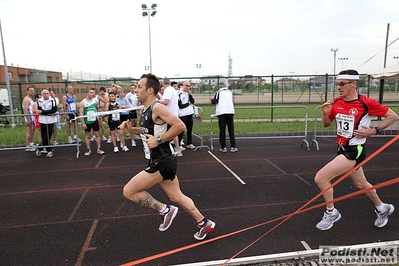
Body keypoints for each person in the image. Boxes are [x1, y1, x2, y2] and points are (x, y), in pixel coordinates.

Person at [120, 73, 215, 240]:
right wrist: (131, 131)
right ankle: (203, 222)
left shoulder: (157, 107)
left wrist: (159, 139)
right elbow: (147, 131)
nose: (135, 90)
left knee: (128, 191)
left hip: (161, 161)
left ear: (150, 90)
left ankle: (165, 210)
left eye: (139, 87)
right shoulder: (145, 109)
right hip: (164, 159)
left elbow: (180, 125)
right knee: (176, 196)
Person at [315, 69, 398, 231]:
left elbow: (393, 116)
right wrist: (325, 114)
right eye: (337, 83)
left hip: (355, 150)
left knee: (321, 178)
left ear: (354, 84)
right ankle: (383, 208)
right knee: (361, 184)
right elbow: (326, 124)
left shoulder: (366, 103)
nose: (338, 87)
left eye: (342, 84)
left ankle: (331, 212)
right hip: (341, 148)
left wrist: (375, 130)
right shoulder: (337, 102)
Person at [211, 81, 237, 153]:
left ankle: (223, 147)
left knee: (222, 130)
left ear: (220, 87)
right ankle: (233, 146)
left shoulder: (219, 92)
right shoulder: (229, 92)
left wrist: (211, 100)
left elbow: (215, 101)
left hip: (222, 113)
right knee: (231, 130)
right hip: (230, 112)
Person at [78, 88, 105, 156]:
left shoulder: (95, 101)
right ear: (87, 93)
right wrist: (83, 123)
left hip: (94, 120)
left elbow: (96, 110)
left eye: (93, 92)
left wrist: (99, 118)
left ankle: (99, 148)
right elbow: (81, 113)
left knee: (97, 134)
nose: (93, 94)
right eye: (91, 92)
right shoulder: (83, 102)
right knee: (87, 135)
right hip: (87, 121)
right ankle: (88, 149)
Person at [161, 77, 183, 156]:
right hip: (173, 113)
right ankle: (177, 148)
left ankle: (175, 149)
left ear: (164, 83)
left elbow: (166, 102)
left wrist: (157, 102)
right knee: (173, 133)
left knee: (168, 132)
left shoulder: (167, 90)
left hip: (169, 114)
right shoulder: (172, 89)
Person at [33, 89, 58, 158]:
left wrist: (43, 112)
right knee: (43, 136)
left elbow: (54, 110)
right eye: (44, 94)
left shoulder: (53, 100)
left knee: (47, 136)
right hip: (42, 121)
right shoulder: (39, 101)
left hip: (50, 121)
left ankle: (41, 148)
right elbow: (38, 110)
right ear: (42, 94)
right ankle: (47, 149)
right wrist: (44, 112)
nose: (46, 95)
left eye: (47, 93)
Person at [177, 80, 195, 149]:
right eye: (186, 85)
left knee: (189, 129)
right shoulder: (179, 94)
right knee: (181, 130)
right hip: (182, 114)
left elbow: (193, 101)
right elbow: (180, 105)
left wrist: (189, 94)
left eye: (189, 86)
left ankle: (189, 143)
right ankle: (178, 145)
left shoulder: (189, 93)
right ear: (183, 85)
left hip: (190, 113)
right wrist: (188, 104)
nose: (188, 87)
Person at [23, 86, 36, 151]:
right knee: (29, 131)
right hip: (29, 117)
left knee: (32, 131)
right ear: (27, 91)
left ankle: (31, 143)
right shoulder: (26, 99)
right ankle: (28, 145)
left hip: (33, 117)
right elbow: (25, 110)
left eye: (33, 90)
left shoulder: (31, 99)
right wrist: (28, 119)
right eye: (30, 90)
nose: (32, 92)